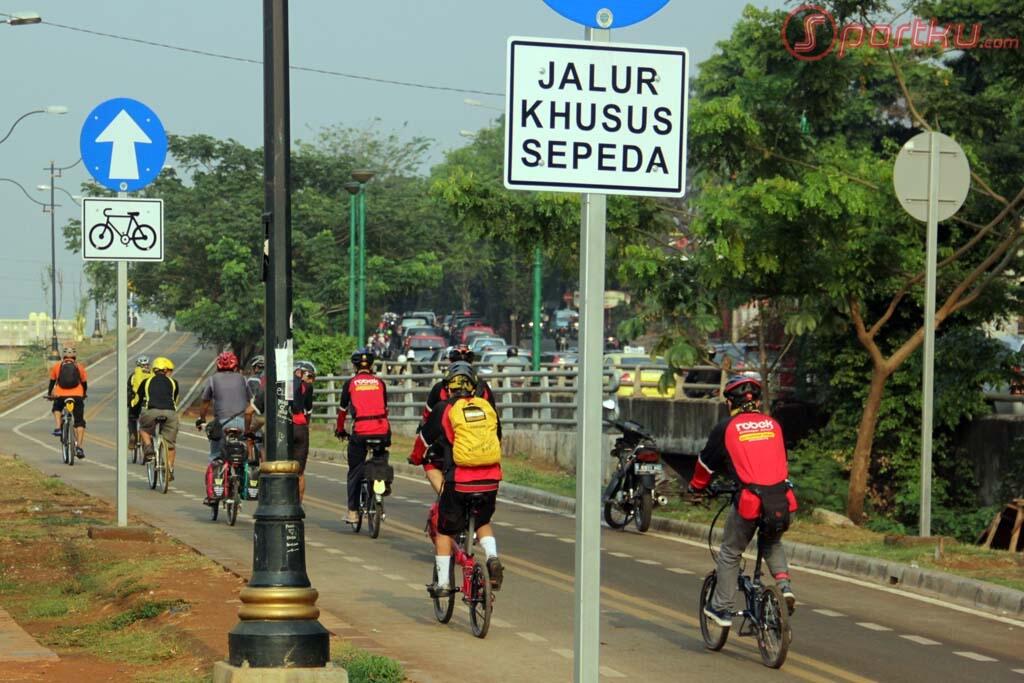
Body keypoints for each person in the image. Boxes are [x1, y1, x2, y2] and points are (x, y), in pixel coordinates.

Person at [687, 376, 798, 627]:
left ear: (729, 403)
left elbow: (705, 465)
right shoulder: (773, 425)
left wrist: (696, 488)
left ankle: (722, 609)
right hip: (782, 500)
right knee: (771, 541)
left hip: (751, 501)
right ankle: (784, 585)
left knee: (730, 552)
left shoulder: (727, 428)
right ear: (757, 401)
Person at [410, 362, 504, 595]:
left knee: (444, 530)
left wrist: (415, 458)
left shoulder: (444, 408)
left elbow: (423, 439)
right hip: (491, 479)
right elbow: (498, 436)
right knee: (482, 521)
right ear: (473, 388)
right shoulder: (486, 407)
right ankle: (492, 557)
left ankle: (442, 583)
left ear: (448, 388)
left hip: (460, 480)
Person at [418, 344, 495, 496]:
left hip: (447, 444)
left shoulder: (440, 388)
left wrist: (418, 451)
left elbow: (427, 419)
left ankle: (446, 496)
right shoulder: (484, 388)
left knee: (429, 463)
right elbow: (494, 420)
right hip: (482, 446)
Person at [335, 348, 391, 524]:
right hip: (382, 430)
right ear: (372, 365)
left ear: (354, 366)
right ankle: (381, 486)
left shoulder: (351, 384)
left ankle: (352, 512)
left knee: (355, 471)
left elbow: (342, 412)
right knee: (380, 457)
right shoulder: (380, 383)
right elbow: (385, 409)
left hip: (361, 431)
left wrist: (340, 430)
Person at [196, 351, 255, 460]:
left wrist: (202, 419)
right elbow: (251, 401)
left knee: (216, 455)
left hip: (222, 423)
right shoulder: (242, 379)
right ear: (235, 365)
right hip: (242, 423)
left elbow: (205, 403)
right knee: (243, 453)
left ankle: (217, 472)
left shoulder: (212, 379)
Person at [138, 356, 180, 480]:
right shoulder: (173, 382)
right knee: (171, 444)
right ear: (166, 370)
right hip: (170, 413)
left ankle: (149, 448)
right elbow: (175, 399)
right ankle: (170, 470)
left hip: (151, 411)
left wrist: (134, 412)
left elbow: (139, 399)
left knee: (144, 429)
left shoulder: (146, 382)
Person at [48, 346, 88, 458]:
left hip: (60, 395)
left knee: (56, 408)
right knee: (79, 422)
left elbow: (52, 382)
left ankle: (57, 428)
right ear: (75, 356)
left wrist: (50, 394)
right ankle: (79, 448)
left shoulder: (57, 366)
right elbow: (84, 383)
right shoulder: (79, 367)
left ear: (63, 356)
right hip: (77, 396)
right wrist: (83, 394)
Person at [291, 360, 316, 501]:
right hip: (301, 427)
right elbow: (308, 413)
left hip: (286, 426)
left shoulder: (286, 384)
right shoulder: (308, 387)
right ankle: (298, 505)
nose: (311, 381)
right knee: (300, 473)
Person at [127, 355, 153, 451]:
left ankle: (133, 436)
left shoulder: (134, 376)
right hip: (150, 403)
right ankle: (150, 438)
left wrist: (129, 403)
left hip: (137, 403)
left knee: (131, 418)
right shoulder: (152, 374)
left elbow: (129, 390)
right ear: (148, 365)